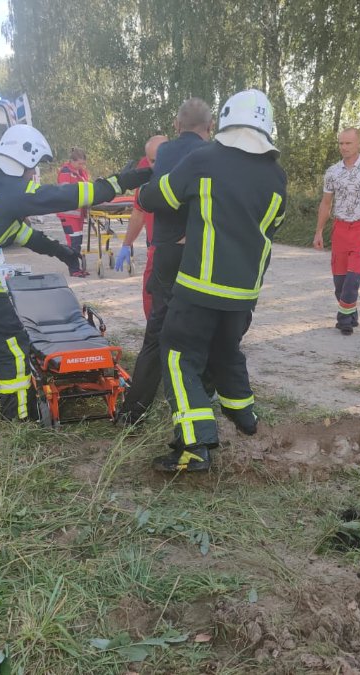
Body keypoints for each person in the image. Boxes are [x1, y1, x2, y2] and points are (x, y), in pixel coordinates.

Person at [0, 124, 151, 421]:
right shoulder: (11, 189)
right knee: (14, 346)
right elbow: (63, 196)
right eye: (33, 166)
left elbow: (26, 235)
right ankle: (19, 418)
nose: (32, 173)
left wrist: (62, 252)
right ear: (22, 159)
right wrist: (116, 183)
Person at [137, 89, 287, 473]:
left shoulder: (205, 159)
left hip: (199, 289)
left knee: (178, 357)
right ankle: (244, 415)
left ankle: (194, 445)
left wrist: (143, 187)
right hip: (244, 294)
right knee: (225, 351)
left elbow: (158, 198)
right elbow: (273, 226)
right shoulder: (276, 175)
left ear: (224, 121)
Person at [116, 99, 212, 425]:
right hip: (201, 252)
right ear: (210, 126)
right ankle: (202, 394)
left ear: (176, 125)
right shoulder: (214, 154)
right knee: (204, 326)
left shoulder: (166, 153)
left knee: (156, 330)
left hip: (167, 252)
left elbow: (152, 199)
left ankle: (133, 411)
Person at [313, 127, 360, 335]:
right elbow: (326, 203)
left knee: (353, 279)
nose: (344, 147)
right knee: (340, 282)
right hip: (340, 229)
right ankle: (351, 314)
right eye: (341, 143)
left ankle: (343, 320)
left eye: (348, 143)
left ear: (359, 143)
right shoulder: (332, 171)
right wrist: (318, 232)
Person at [115, 134, 168, 318]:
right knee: (151, 296)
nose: (157, 165)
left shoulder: (186, 163)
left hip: (181, 246)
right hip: (155, 245)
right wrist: (126, 244)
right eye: (153, 160)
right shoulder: (145, 167)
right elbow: (139, 211)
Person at [56, 148, 91, 277]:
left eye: (83, 163)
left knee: (77, 242)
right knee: (72, 243)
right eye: (79, 163)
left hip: (77, 214)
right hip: (68, 213)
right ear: (72, 161)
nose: (81, 166)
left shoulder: (81, 172)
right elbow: (65, 192)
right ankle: (74, 269)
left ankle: (77, 268)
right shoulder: (65, 172)